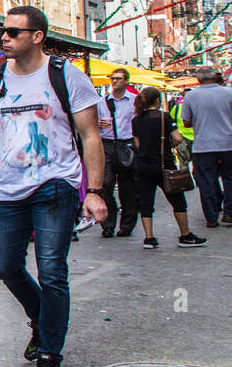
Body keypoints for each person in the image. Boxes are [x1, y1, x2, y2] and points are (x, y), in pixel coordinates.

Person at [0, 7, 107, 367]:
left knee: (51, 271)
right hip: (8, 188)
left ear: (37, 36)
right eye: (3, 31)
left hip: (55, 184)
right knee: (7, 266)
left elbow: (91, 135)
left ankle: (50, 355)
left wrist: (94, 192)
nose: (4, 37)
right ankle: (40, 317)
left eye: (14, 31)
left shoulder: (66, 75)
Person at [131, 86, 206, 249]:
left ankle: (149, 238)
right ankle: (185, 235)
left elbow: (137, 144)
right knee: (177, 201)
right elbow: (178, 138)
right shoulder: (164, 117)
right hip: (163, 165)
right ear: (158, 100)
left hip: (143, 165)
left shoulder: (136, 120)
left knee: (146, 203)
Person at [179, 67, 232, 227]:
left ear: (198, 80)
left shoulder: (191, 96)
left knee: (206, 182)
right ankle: (229, 213)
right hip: (228, 143)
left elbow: (186, 121)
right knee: (230, 179)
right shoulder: (229, 93)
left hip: (203, 145)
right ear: (215, 78)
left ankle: (211, 217)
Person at [95, 68, 138, 238]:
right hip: (107, 144)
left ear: (126, 81)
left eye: (118, 78)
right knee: (105, 184)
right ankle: (108, 224)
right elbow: (92, 123)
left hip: (127, 144)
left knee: (128, 187)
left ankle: (126, 225)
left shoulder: (135, 101)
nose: (114, 81)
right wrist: (99, 124)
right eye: (112, 78)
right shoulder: (102, 102)